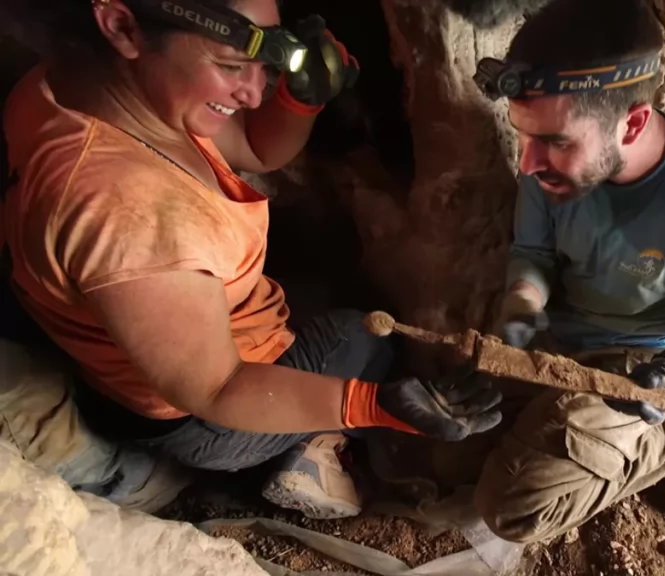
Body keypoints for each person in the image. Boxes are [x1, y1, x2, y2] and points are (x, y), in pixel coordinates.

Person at [2, 0, 501, 519]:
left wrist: (300, 98)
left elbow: (256, 152)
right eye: (232, 67)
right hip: (200, 419)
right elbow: (218, 387)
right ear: (122, 25)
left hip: (146, 352)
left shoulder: (103, 86)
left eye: (265, 67)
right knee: (364, 336)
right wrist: (369, 406)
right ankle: (311, 456)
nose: (254, 92)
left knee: (319, 290)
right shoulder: (130, 215)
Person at [469, 0, 665, 543]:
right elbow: (534, 254)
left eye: (555, 142)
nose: (528, 164)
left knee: (511, 507)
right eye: (523, 135)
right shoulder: (548, 171)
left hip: (640, 368)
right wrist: (521, 304)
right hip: (559, 339)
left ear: (631, 122)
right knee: (446, 446)